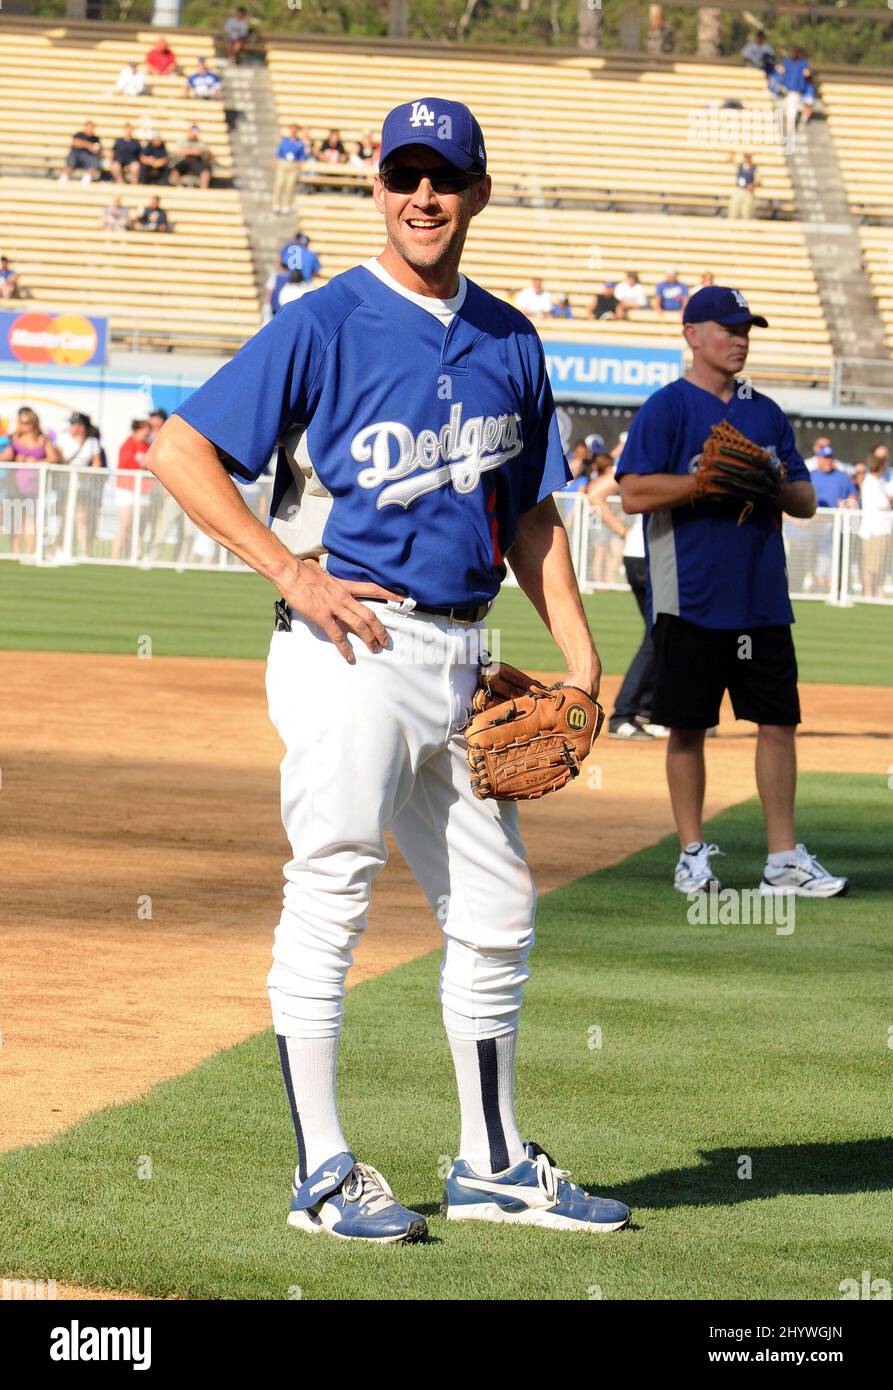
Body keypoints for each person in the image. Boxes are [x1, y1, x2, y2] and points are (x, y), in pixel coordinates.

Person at [145, 96, 631, 1244]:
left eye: (444, 176)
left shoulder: (512, 337)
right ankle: (323, 1172)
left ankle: (491, 1162)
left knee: (498, 909)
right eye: (403, 175)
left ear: (477, 192)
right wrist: (288, 568)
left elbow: (529, 514)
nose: (423, 195)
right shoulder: (327, 321)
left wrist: (580, 654)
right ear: (375, 189)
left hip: (463, 660)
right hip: (348, 648)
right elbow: (179, 447)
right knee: (332, 888)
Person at [616, 284, 848, 898]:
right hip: (687, 596)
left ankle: (782, 861)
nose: (741, 338)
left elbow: (804, 500)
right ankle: (692, 855)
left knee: (777, 723)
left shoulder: (765, 412)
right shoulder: (666, 408)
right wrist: (699, 484)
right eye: (729, 328)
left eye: (747, 329)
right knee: (688, 728)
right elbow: (633, 493)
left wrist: (770, 479)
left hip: (760, 599)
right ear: (693, 334)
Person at [588, 432, 667, 740]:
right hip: (652, 556)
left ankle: (648, 708)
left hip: (639, 552)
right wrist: (621, 529)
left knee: (661, 632)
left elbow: (596, 492)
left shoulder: (643, 459)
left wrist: (624, 532)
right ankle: (624, 714)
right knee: (658, 632)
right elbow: (595, 492)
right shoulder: (664, 458)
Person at [0, 407, 61, 556]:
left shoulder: (43, 439)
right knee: (14, 519)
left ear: (34, 423)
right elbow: (6, 456)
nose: (23, 425)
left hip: (36, 486)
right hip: (15, 485)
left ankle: (29, 553)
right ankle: (14, 552)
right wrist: (16, 458)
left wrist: (36, 461)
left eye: (27, 422)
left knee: (31, 519)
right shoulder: (14, 439)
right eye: (21, 422)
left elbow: (54, 458)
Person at [55, 412, 104, 559]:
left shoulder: (92, 442)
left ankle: (84, 551)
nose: (73, 427)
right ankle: (61, 548)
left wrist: (87, 474)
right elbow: (58, 457)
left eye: (76, 424)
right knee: (65, 516)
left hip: (83, 486)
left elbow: (97, 463)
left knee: (82, 518)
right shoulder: (63, 438)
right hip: (65, 485)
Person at [111, 419, 153, 561]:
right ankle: (115, 557)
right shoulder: (127, 445)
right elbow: (125, 464)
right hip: (127, 488)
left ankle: (135, 555)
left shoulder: (148, 446)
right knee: (125, 522)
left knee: (140, 522)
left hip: (143, 489)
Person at [857, 454, 892, 598]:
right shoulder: (870, 482)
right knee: (871, 565)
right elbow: (884, 504)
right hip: (874, 531)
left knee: (881, 564)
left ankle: (877, 591)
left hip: (882, 529)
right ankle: (868, 592)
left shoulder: (880, 482)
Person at [272, 125, 307, 214]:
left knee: (290, 186)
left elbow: (302, 157)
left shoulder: (300, 143)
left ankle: (286, 205)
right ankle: (276, 204)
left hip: (294, 164)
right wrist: (276, 163)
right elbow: (279, 153)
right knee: (279, 183)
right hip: (284, 163)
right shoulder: (285, 141)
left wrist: (300, 166)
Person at [728, 153, 759, 220]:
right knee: (734, 209)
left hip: (748, 191)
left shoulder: (754, 168)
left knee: (746, 211)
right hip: (739, 189)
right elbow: (731, 161)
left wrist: (753, 185)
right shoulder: (740, 166)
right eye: (746, 157)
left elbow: (758, 181)